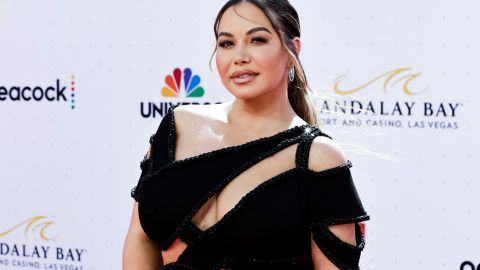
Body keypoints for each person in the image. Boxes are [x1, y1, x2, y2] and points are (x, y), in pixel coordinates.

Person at [122, 0, 370, 269]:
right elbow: (140, 237)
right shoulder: (177, 126)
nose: (239, 56)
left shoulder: (317, 157)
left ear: (292, 51)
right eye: (226, 43)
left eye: (257, 40)